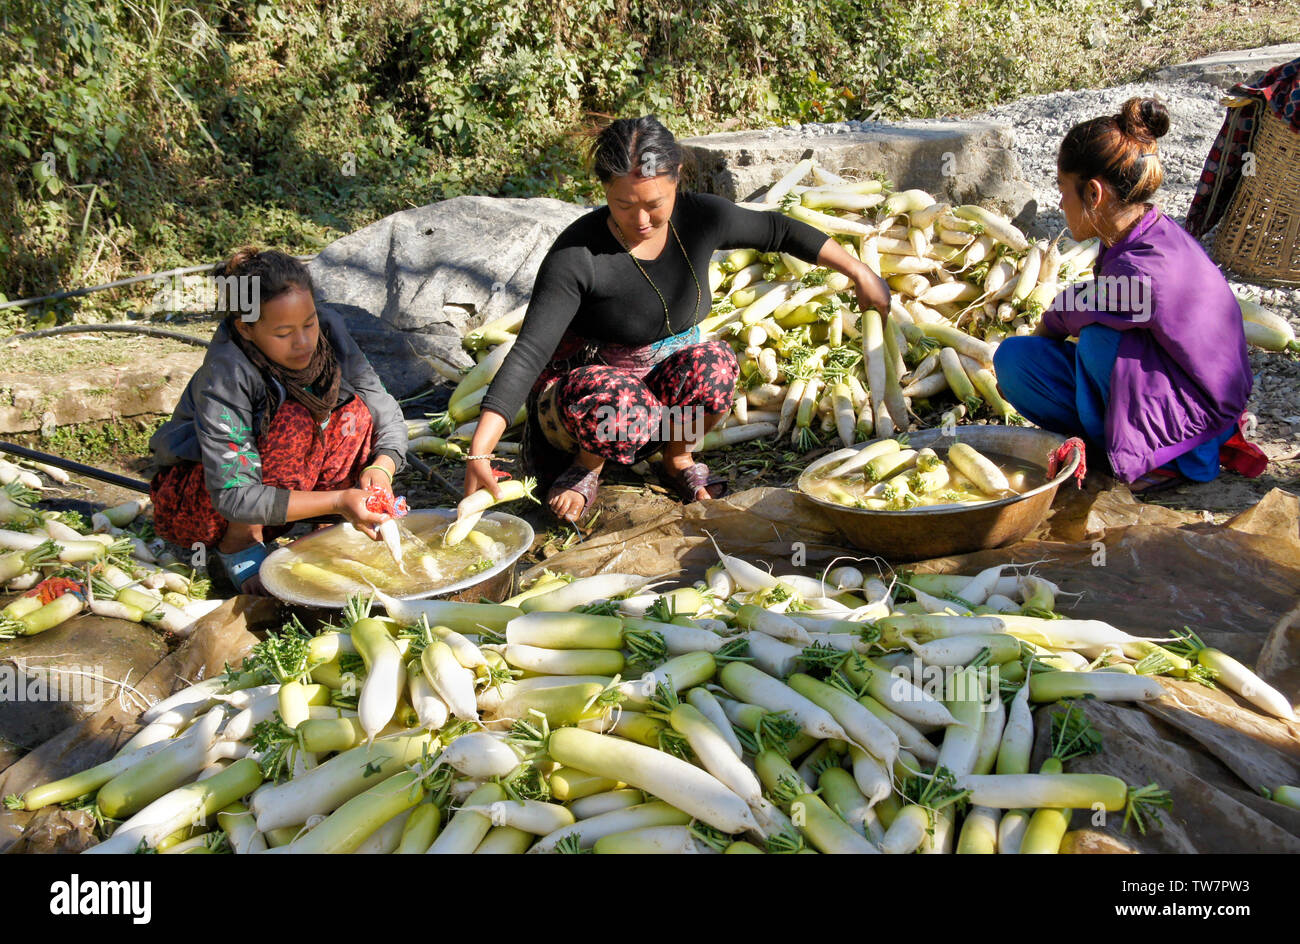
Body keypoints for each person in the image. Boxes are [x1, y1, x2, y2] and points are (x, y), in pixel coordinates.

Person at [465, 115, 891, 522]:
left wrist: (859, 270)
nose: (642, 220)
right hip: (584, 416)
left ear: (677, 178)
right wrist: (480, 450)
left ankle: (676, 456)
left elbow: (779, 229)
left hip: (658, 415)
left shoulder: (701, 218)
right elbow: (529, 352)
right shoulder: (577, 255)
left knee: (717, 365)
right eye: (623, 205)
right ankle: (587, 467)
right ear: (603, 189)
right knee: (618, 396)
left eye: (655, 203)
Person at [992, 98, 1253, 493]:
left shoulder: (1145, 269)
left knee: (1099, 342)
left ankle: (1158, 460)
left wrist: (1045, 330)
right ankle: (1118, 445)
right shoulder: (1137, 234)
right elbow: (1091, 299)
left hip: (1198, 422)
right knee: (1015, 360)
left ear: (1094, 193)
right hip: (1162, 389)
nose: (1060, 204)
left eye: (1063, 190)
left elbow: (1081, 306)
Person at [149, 248, 408, 592]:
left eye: (309, 323)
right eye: (283, 333)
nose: (302, 343)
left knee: (355, 412)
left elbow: (384, 408)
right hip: (205, 500)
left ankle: (327, 530)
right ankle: (240, 545)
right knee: (293, 421)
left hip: (287, 493)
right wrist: (338, 499)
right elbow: (233, 495)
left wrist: (381, 468)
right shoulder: (227, 374)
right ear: (246, 328)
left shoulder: (330, 331)